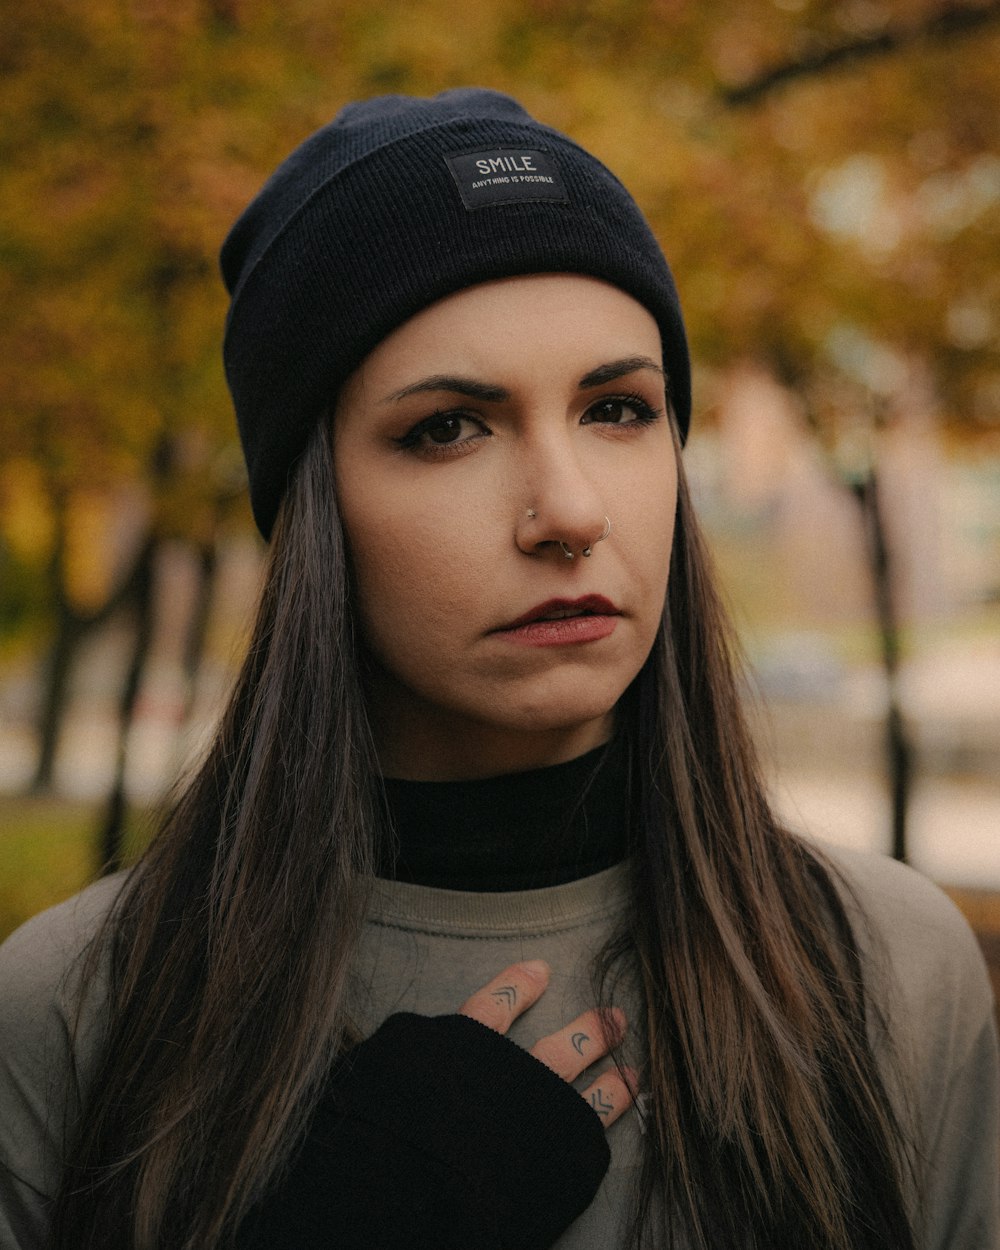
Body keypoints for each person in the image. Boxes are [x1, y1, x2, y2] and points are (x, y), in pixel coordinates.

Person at [0, 88, 996, 1250]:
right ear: (313, 506)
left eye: (618, 408)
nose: (569, 510)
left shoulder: (888, 968)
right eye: (448, 427)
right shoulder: (80, 1010)